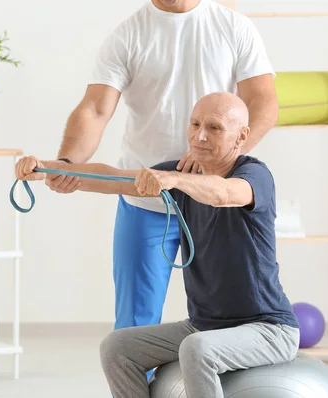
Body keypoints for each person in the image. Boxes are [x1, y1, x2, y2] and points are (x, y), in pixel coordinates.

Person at [15, 92, 298, 398]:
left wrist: (174, 180)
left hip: (267, 329)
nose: (199, 135)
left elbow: (223, 193)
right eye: (194, 124)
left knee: (198, 349)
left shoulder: (254, 174)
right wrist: (48, 168)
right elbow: (114, 179)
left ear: (241, 136)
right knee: (118, 347)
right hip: (204, 326)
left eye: (214, 128)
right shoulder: (181, 174)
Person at [45, 0, 279, 351]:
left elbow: (263, 102)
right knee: (132, 333)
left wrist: (219, 162)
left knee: (229, 320)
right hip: (147, 200)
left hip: (212, 203)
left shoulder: (233, 27)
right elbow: (95, 108)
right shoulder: (128, 35)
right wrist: (67, 162)